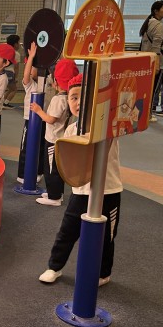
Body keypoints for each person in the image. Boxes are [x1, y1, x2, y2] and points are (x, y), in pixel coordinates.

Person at [39, 74, 122, 286]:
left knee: (107, 236)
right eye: (73, 97)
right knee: (67, 231)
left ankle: (103, 273)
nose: (78, 103)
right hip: (81, 192)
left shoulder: (108, 126)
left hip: (108, 190)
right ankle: (54, 266)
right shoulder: (71, 129)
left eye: (84, 97)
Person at [30, 58, 78, 206]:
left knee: (51, 169)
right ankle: (57, 193)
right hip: (61, 138)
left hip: (53, 139)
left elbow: (51, 119)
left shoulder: (58, 99)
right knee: (57, 168)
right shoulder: (70, 98)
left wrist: (38, 111)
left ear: (56, 81)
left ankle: (54, 197)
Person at [17, 42, 47, 183]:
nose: (30, 71)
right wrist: (31, 57)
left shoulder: (45, 84)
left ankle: (38, 172)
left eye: (33, 68)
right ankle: (22, 174)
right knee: (26, 147)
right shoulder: (30, 85)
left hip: (43, 119)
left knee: (40, 146)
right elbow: (26, 74)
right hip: (30, 120)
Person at [139, 0, 163, 121]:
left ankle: (142, 113)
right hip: (155, 61)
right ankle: (148, 114)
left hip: (145, 60)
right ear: (156, 11)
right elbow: (156, 46)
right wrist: (157, 64)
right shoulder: (159, 25)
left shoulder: (149, 22)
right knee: (152, 89)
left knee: (145, 88)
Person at [3, 34, 22, 109]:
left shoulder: (4, 51)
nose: (19, 44)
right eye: (18, 42)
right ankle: (5, 103)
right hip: (10, 73)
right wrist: (16, 77)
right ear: (15, 44)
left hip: (2, 72)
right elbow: (16, 67)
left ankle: (3, 102)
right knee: (14, 89)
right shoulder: (16, 54)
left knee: (10, 89)